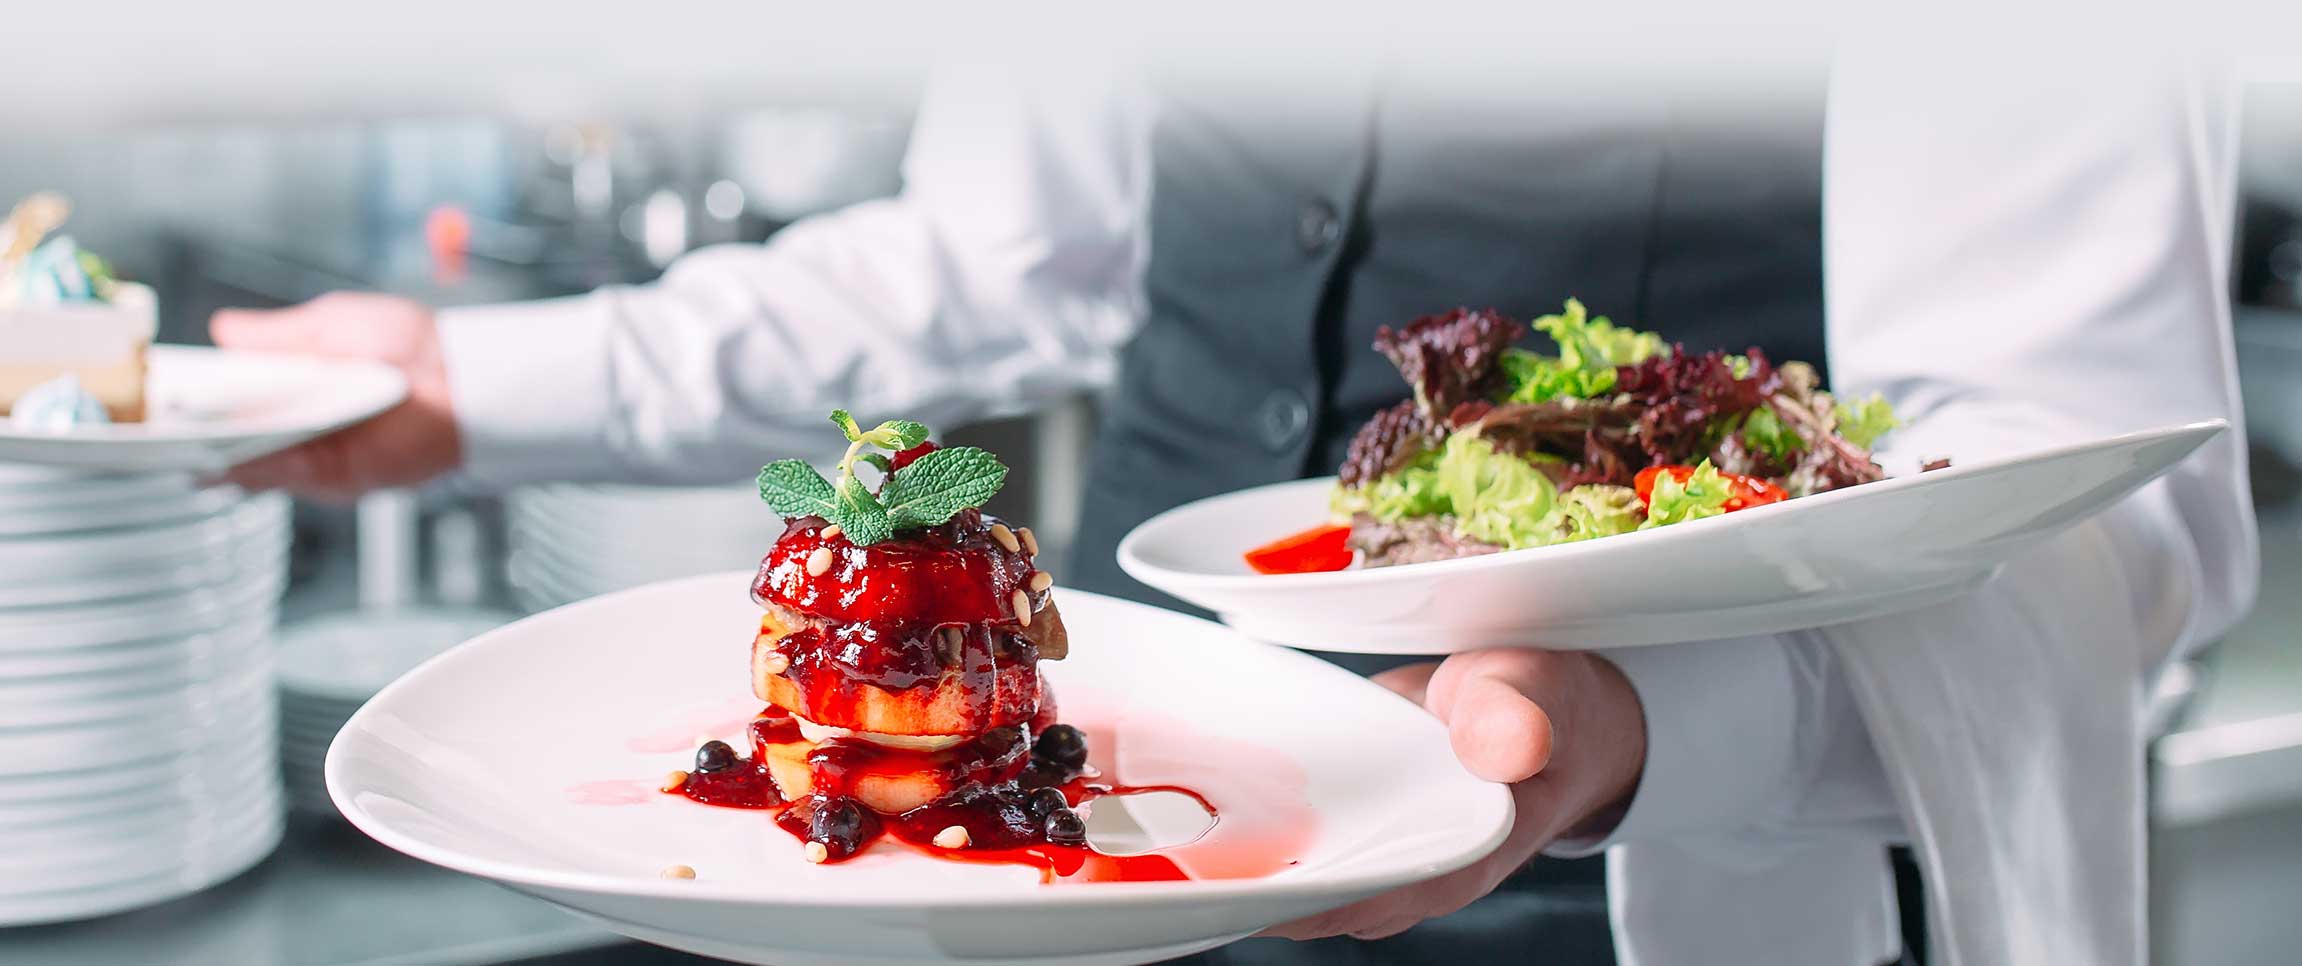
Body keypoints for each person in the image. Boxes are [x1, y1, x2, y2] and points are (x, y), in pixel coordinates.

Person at [210, 49, 2254, 966]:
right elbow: (996, 251)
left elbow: (2098, 505)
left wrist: (1630, 732)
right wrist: (467, 384)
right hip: (1099, 865)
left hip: (1638, 903)